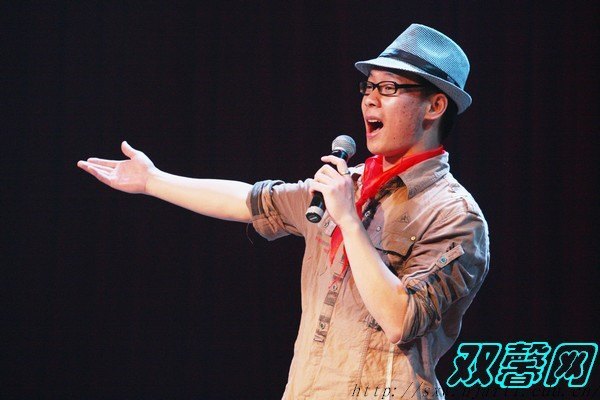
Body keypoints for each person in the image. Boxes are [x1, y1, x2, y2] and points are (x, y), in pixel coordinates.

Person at [78, 23, 489, 400]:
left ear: (435, 106)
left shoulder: (455, 216)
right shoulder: (347, 185)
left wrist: (348, 220)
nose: (370, 99)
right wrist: (153, 181)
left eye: (389, 88)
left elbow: (401, 319)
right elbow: (251, 200)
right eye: (368, 86)